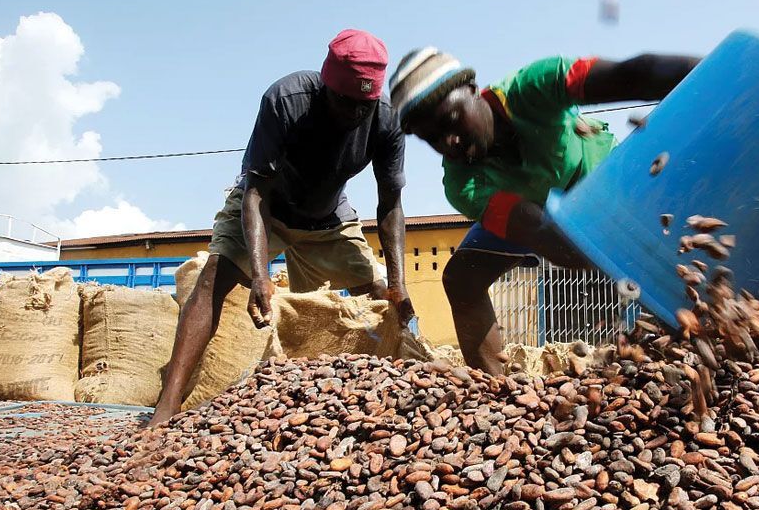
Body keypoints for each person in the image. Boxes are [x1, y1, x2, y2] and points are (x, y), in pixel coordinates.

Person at [149, 29, 413, 426]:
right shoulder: (286, 100)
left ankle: (409, 389)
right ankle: (167, 405)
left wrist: (399, 283)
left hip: (328, 217)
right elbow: (255, 193)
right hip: (267, 209)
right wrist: (259, 275)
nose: (356, 114)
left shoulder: (386, 119)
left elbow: (390, 204)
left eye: (365, 104)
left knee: (382, 296)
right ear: (327, 86)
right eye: (347, 103)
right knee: (212, 281)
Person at [389, 49, 698, 373]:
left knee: (671, 264)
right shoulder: (463, 184)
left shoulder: (532, 88)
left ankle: (694, 337)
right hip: (543, 220)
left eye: (450, 121)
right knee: (462, 279)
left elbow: (635, 73)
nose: (449, 141)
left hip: (600, 183)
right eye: (431, 138)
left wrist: (719, 73)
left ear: (471, 90)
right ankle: (498, 389)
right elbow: (546, 238)